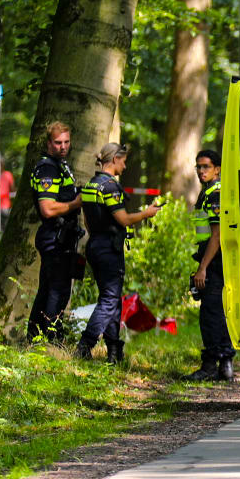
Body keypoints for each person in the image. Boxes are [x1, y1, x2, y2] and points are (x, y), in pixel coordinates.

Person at [77, 143, 164, 363]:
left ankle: (114, 351)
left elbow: (87, 220)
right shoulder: (110, 186)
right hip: (109, 248)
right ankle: (85, 346)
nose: (125, 166)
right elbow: (123, 219)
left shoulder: (90, 185)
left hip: (95, 244)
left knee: (112, 299)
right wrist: (147, 213)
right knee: (109, 300)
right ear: (114, 159)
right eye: (123, 161)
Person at [26, 123, 82, 343]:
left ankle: (34, 338)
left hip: (62, 237)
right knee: (57, 291)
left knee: (48, 289)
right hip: (54, 237)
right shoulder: (48, 169)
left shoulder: (60, 165)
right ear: (49, 143)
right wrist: (76, 202)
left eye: (66, 142)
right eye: (58, 143)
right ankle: (51, 341)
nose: (63, 147)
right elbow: (47, 209)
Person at [185, 149, 235, 382]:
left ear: (217, 169)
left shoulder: (215, 193)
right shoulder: (208, 193)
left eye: (206, 166)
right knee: (215, 312)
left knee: (210, 314)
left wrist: (203, 268)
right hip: (213, 259)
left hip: (214, 261)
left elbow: (216, 235)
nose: (201, 171)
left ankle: (210, 365)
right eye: (198, 166)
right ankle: (225, 364)